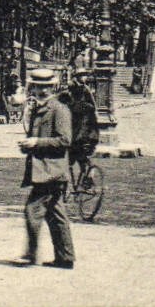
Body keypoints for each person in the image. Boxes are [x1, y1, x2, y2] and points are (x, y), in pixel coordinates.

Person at [17, 68, 74, 269]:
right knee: (56, 214)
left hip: (51, 171)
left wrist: (36, 142)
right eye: (37, 87)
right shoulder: (38, 109)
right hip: (45, 170)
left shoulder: (59, 109)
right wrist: (29, 145)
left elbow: (65, 140)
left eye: (45, 87)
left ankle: (31, 255)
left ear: (53, 87)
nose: (40, 91)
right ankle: (65, 257)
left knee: (32, 211)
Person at [63, 70, 101, 177]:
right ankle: (85, 176)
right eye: (82, 76)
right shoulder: (74, 89)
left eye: (84, 76)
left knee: (77, 156)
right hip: (77, 129)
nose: (84, 78)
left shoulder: (85, 91)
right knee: (76, 158)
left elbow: (92, 106)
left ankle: (88, 175)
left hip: (83, 133)